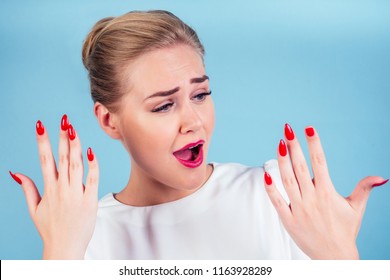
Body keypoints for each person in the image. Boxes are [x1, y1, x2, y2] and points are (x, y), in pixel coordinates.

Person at [9, 10, 388, 260]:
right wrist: (59, 255)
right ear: (109, 122)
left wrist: (341, 258)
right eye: (163, 106)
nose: (194, 122)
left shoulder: (282, 199)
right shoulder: (83, 237)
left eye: (200, 95)